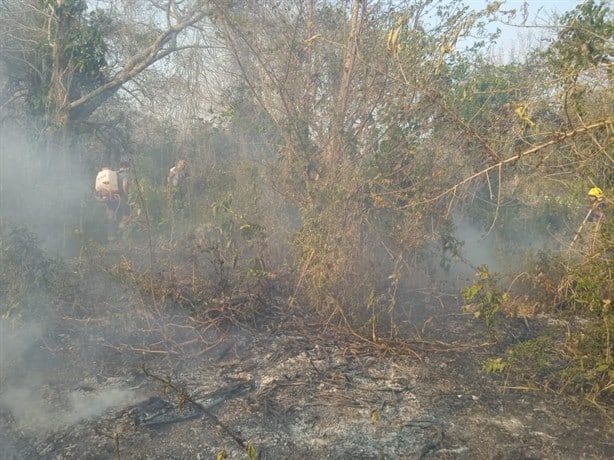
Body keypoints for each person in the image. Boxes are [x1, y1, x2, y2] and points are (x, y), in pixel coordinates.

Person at [116, 160, 131, 228]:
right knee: (126, 215)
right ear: (127, 167)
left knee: (115, 215)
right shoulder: (126, 174)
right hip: (122, 197)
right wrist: (128, 195)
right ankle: (124, 234)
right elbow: (124, 185)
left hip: (114, 197)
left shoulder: (116, 174)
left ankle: (113, 235)